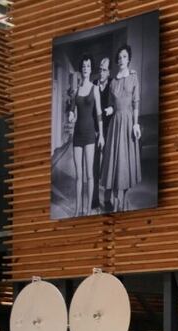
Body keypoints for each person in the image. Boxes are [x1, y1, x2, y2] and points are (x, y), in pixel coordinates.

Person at [102, 44, 143, 213]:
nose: (121, 60)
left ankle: (123, 199)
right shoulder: (112, 82)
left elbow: (135, 103)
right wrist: (108, 110)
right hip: (115, 124)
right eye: (119, 57)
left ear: (129, 59)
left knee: (126, 163)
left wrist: (135, 124)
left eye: (124, 56)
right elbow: (112, 105)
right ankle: (111, 198)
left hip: (128, 124)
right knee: (114, 162)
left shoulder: (134, 78)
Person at [67, 54, 104, 217]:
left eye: (88, 66)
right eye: (83, 66)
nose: (86, 69)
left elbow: (99, 114)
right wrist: (70, 114)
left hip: (90, 135)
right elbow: (72, 111)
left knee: (89, 174)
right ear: (81, 69)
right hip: (77, 135)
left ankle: (88, 210)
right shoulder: (75, 91)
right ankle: (77, 209)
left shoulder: (95, 89)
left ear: (91, 69)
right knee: (78, 176)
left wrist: (101, 135)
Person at [92, 56, 113, 212]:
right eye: (100, 69)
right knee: (94, 166)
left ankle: (107, 199)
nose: (101, 72)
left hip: (109, 130)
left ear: (109, 71)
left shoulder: (113, 84)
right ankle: (94, 198)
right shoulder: (93, 85)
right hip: (94, 130)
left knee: (108, 166)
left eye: (104, 69)